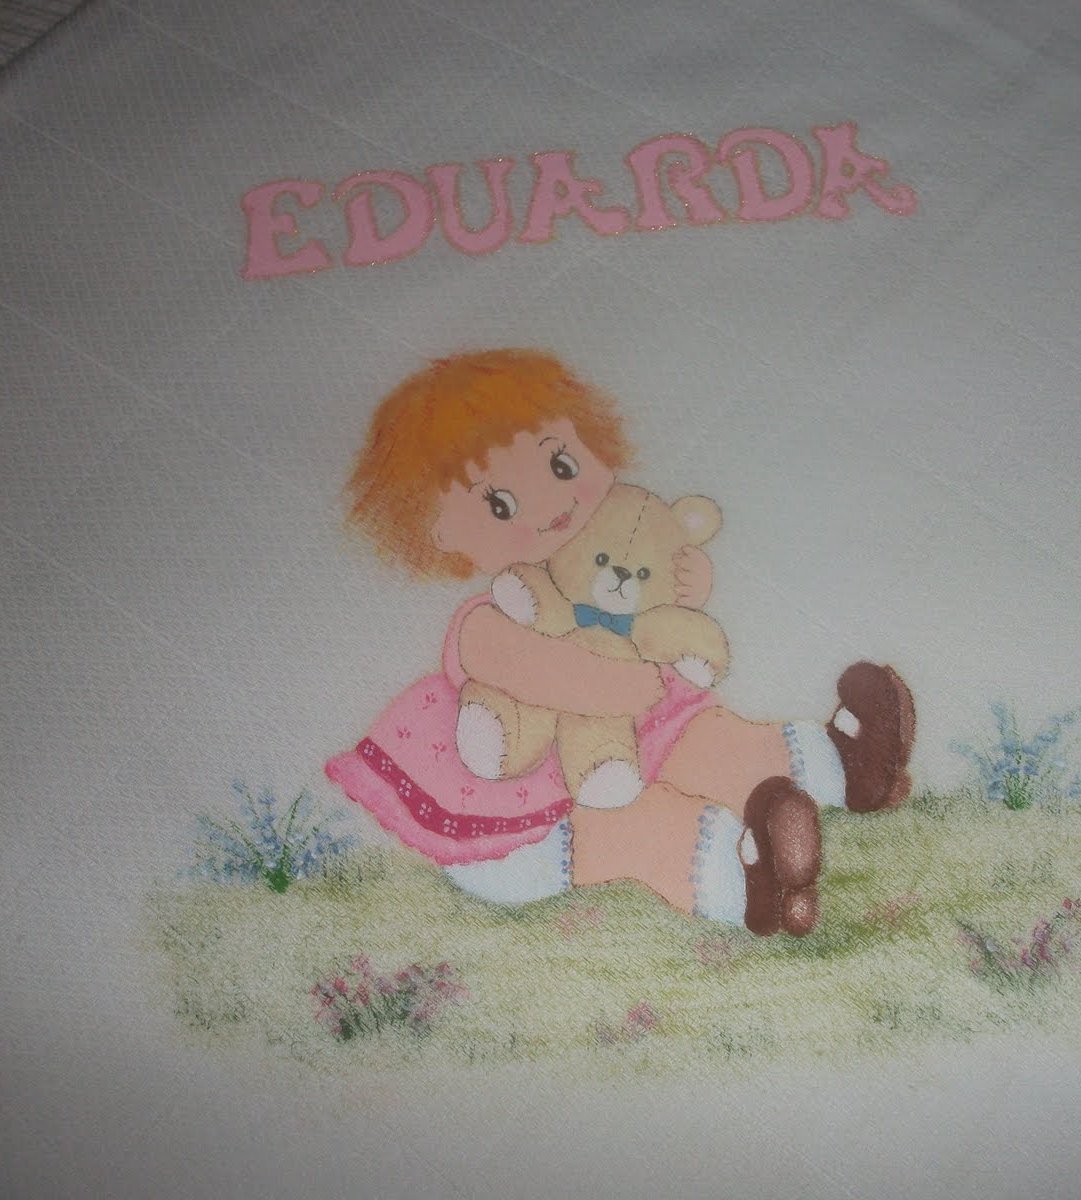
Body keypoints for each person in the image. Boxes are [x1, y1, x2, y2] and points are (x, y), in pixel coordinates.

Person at [329, 349, 914, 936]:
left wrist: (681, 584)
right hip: (523, 825)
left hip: (628, 747)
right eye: (501, 504)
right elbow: (539, 671)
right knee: (636, 824)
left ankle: (845, 766)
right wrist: (620, 685)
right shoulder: (491, 617)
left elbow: (650, 602)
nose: (551, 505)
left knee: (704, 738)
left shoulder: (591, 564)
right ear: (439, 533)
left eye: (561, 465)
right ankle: (748, 880)